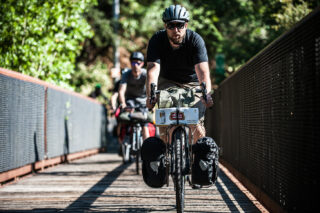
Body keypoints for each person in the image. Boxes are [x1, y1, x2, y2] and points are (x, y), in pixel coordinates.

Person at [146, 4, 214, 143]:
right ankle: (167, 158)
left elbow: (202, 70)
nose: (176, 30)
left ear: (186, 25)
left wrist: (206, 94)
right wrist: (150, 96)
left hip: (192, 82)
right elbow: (153, 69)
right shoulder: (157, 40)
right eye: (171, 25)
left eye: (180, 25)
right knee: (165, 121)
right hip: (167, 81)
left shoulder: (195, 40)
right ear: (165, 26)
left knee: (196, 123)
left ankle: (197, 160)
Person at [118, 52, 150, 141]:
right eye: (133, 63)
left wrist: (150, 101)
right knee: (124, 121)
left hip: (143, 102)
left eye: (138, 63)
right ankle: (122, 144)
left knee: (144, 125)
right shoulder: (126, 74)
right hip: (130, 101)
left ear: (142, 64)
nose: (135, 65)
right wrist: (123, 104)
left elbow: (151, 88)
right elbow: (121, 91)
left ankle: (146, 147)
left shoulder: (145, 74)